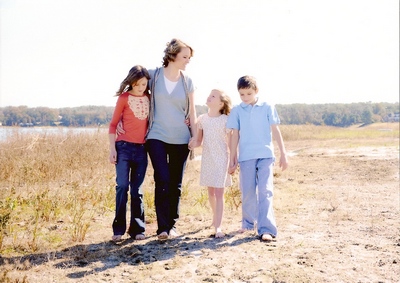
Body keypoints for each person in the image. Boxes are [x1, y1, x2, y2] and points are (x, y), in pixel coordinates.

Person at [117, 38, 197, 240]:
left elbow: (193, 111)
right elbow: (134, 88)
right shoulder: (154, 76)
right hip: (157, 136)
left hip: (181, 137)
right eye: (184, 56)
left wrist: (195, 136)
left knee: (175, 184)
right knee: (162, 179)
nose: (188, 60)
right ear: (172, 55)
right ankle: (162, 228)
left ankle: (172, 225)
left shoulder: (187, 81)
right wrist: (121, 119)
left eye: (189, 57)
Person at [227, 75, 288, 242]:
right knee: (247, 191)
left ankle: (266, 228)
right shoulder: (237, 110)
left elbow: (275, 131)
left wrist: (283, 153)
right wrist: (232, 158)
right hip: (246, 156)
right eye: (242, 94)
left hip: (265, 155)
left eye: (249, 93)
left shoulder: (267, 107)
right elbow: (234, 135)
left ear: (256, 91)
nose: (245, 98)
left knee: (265, 191)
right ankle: (248, 223)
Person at [108, 65, 151, 242]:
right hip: (123, 148)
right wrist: (112, 149)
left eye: (144, 84)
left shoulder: (149, 98)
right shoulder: (124, 98)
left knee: (136, 190)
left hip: (142, 149)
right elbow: (113, 125)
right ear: (131, 82)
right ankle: (118, 229)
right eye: (138, 84)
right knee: (122, 186)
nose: (141, 88)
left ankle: (137, 229)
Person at [189, 89, 232, 238]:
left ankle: (218, 227)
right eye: (209, 94)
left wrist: (234, 159)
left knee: (220, 192)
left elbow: (231, 142)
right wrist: (193, 143)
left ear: (220, 103)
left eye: (213, 96)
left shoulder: (226, 120)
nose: (209, 96)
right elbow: (199, 140)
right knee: (211, 192)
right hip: (207, 159)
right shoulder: (202, 119)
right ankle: (215, 218)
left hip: (222, 158)